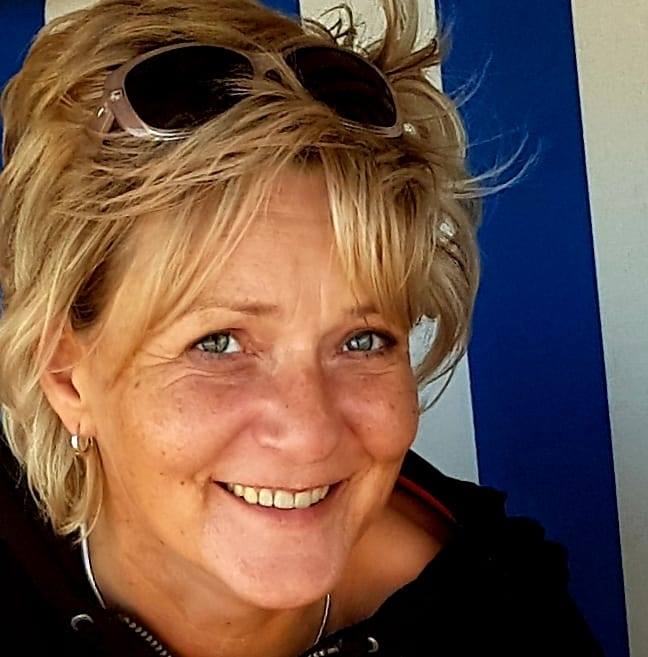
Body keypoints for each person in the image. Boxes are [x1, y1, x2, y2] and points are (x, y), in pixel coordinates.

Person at [0, 1, 603, 656]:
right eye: (218, 343)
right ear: (68, 377)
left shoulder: (505, 623)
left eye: (363, 339)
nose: (310, 433)